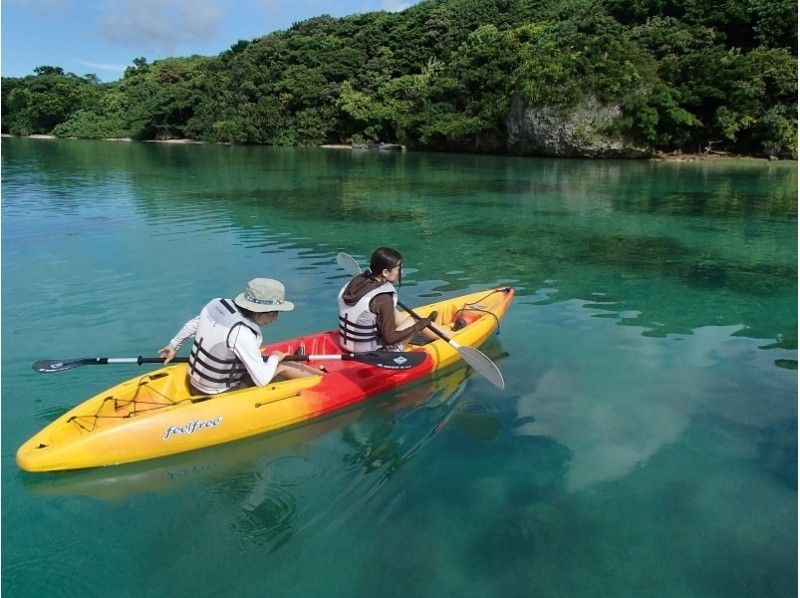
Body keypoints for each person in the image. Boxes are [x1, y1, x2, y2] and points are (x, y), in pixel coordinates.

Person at [159, 278, 319, 395]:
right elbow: (261, 380)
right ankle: (325, 381)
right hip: (217, 392)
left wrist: (173, 346)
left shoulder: (216, 304)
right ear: (267, 312)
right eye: (275, 314)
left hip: (194, 381)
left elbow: (191, 326)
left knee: (264, 359)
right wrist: (276, 358)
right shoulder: (243, 332)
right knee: (284, 364)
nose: (274, 319)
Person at [338, 247, 435, 352]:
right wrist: (420, 326)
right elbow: (390, 339)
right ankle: (444, 337)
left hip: (346, 344)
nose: (401, 272)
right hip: (372, 353)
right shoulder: (384, 298)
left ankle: (432, 332)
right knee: (416, 318)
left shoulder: (354, 284)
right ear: (385, 272)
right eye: (399, 269)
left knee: (394, 312)